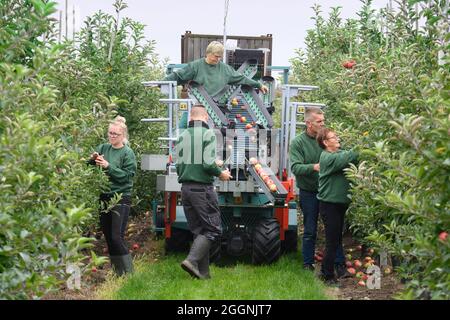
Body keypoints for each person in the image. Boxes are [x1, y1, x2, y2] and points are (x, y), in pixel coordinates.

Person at [289, 108, 348, 276]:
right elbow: (295, 167)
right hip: (310, 192)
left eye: (323, 121)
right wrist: (314, 167)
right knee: (310, 229)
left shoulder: (326, 139)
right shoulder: (298, 143)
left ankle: (339, 263)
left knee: (334, 230)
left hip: (329, 192)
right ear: (309, 123)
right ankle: (308, 263)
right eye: (319, 122)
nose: (323, 124)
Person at [175, 105, 232, 279]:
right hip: (202, 190)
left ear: (191, 118)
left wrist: (213, 164)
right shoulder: (208, 134)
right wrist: (220, 173)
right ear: (206, 117)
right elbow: (207, 165)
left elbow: (180, 165)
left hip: (186, 189)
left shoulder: (182, 135)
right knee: (213, 230)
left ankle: (203, 274)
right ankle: (191, 261)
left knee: (199, 231)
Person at [88, 116, 137, 276]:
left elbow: (127, 176)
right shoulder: (104, 147)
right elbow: (90, 165)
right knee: (109, 237)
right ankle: (118, 272)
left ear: (123, 135)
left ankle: (129, 273)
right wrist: (92, 159)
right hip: (104, 196)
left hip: (120, 197)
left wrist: (109, 166)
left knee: (117, 236)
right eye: (110, 133)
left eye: (115, 134)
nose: (112, 136)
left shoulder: (127, 153)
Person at [316, 128, 358, 285]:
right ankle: (327, 276)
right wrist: (363, 146)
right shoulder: (328, 158)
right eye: (334, 137)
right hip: (330, 205)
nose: (338, 139)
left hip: (337, 205)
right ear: (326, 143)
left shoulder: (335, 155)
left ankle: (327, 272)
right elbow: (350, 156)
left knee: (335, 239)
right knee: (332, 241)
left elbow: (346, 155)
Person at [164, 41, 268, 98]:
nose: (217, 59)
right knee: (183, 126)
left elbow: (242, 78)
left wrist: (258, 85)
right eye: (215, 56)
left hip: (214, 106)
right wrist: (162, 83)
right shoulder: (195, 66)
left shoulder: (225, 69)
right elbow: (179, 76)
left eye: (220, 57)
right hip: (196, 103)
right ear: (208, 53)